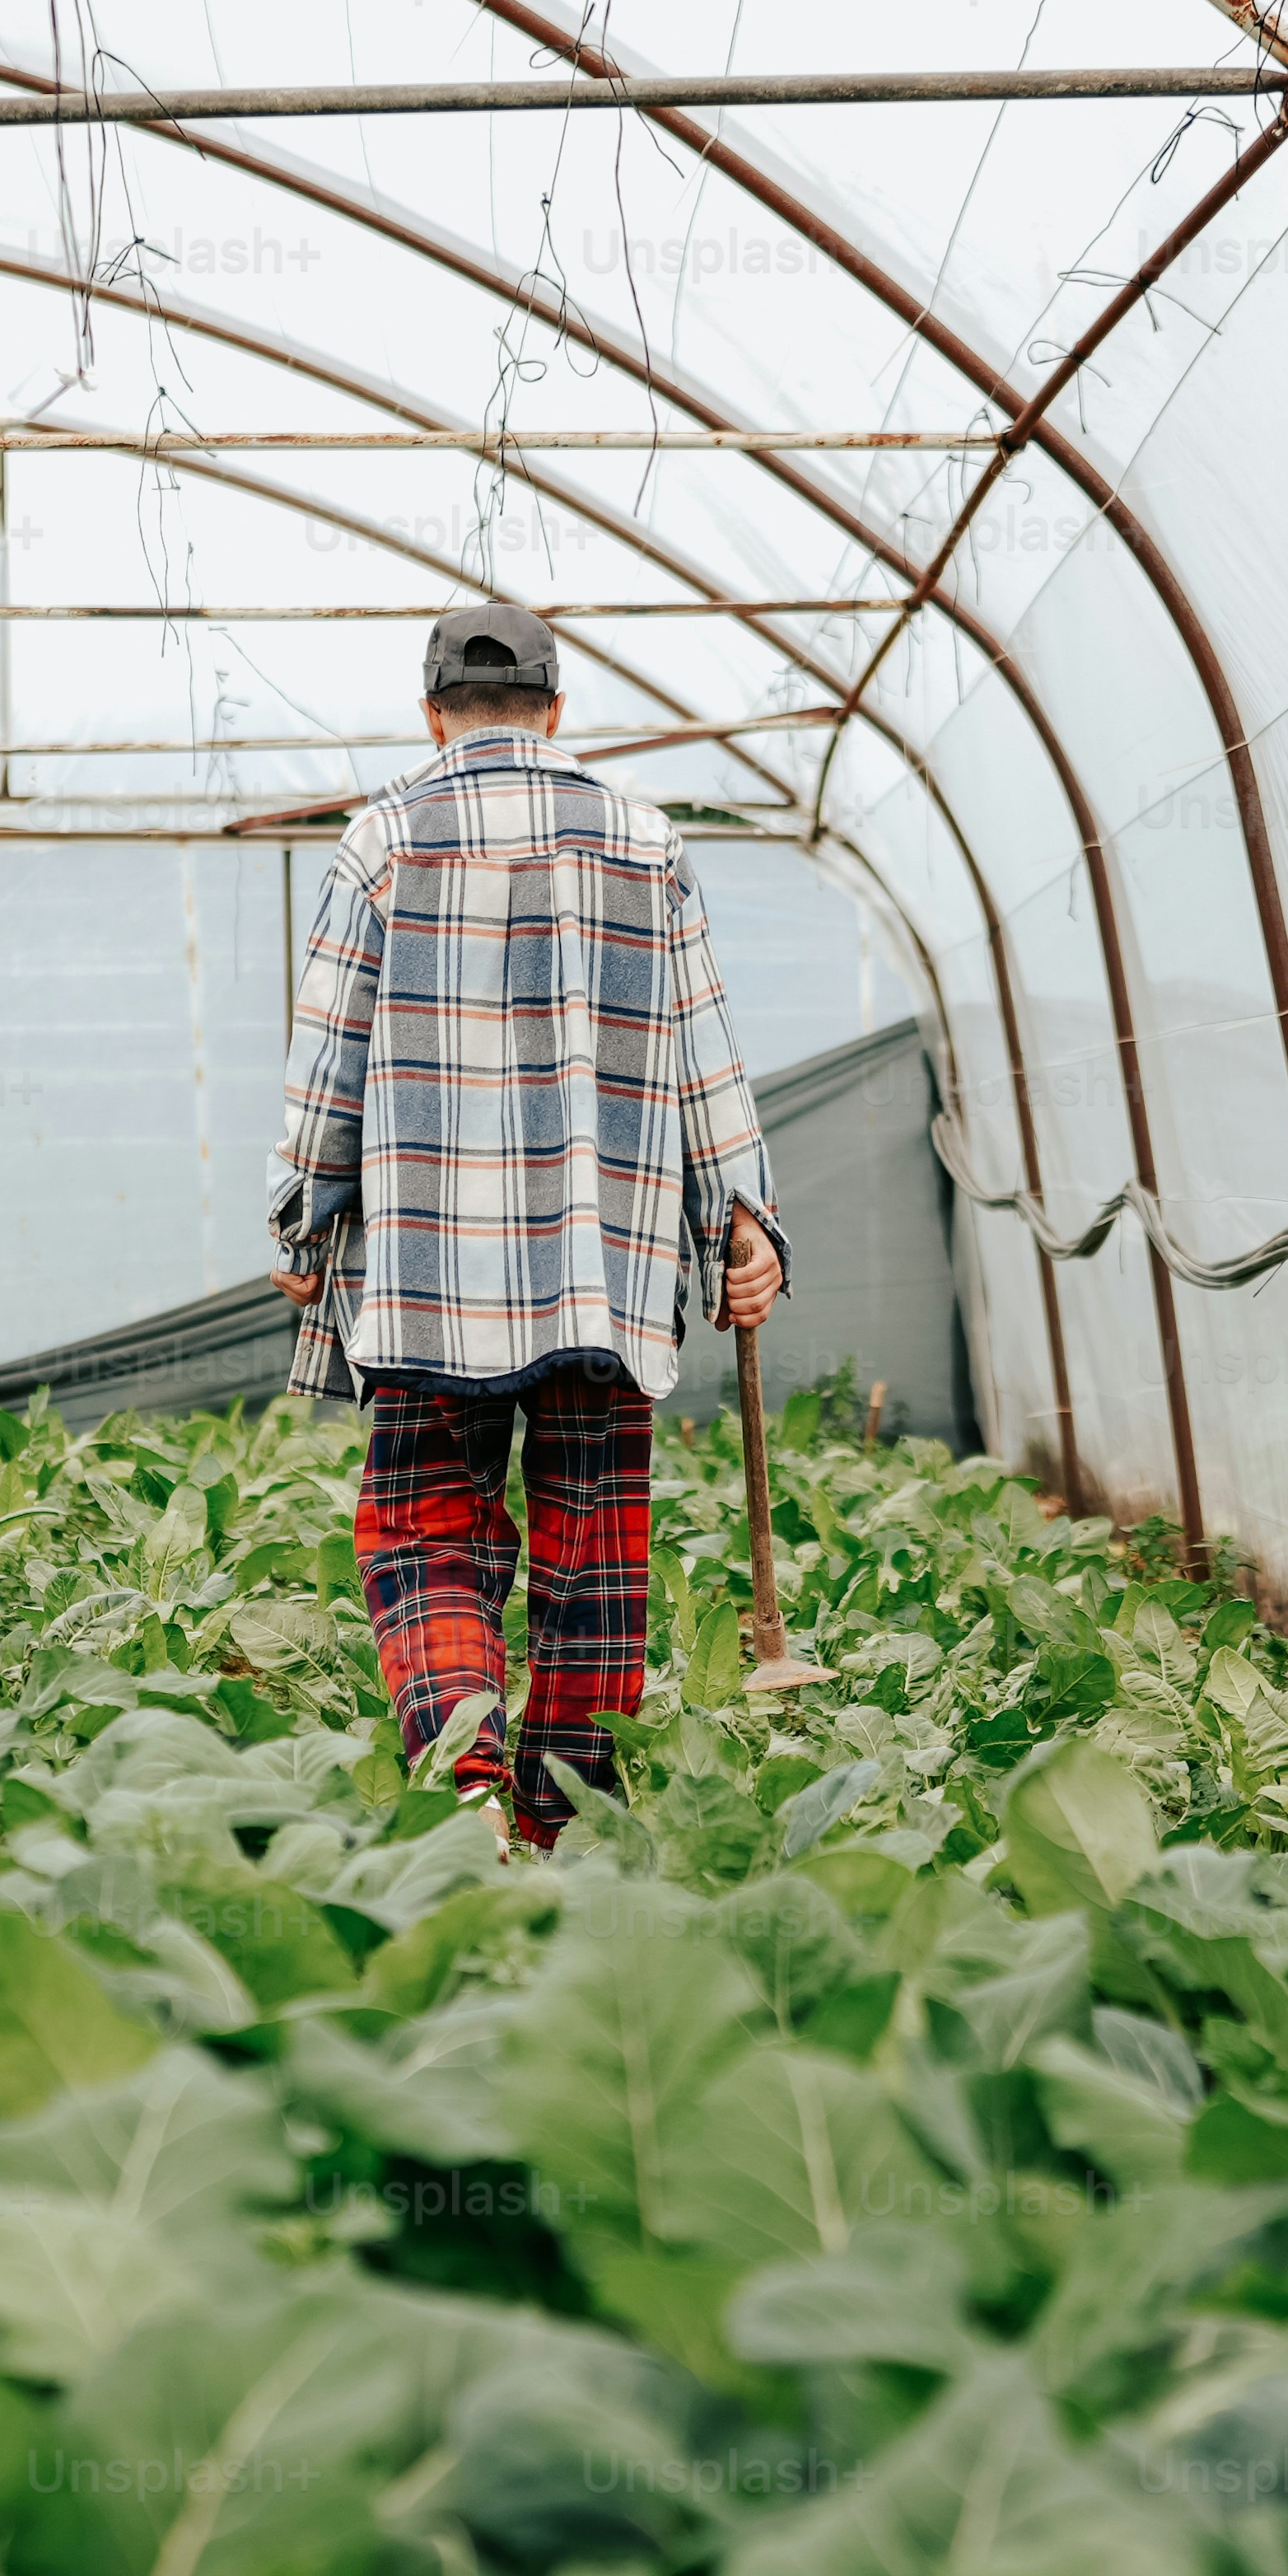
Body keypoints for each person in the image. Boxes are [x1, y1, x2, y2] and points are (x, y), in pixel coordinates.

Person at [268, 601, 782, 1844]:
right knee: (591, 1563)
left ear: (429, 712)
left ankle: (463, 1780)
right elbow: (701, 1051)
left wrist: (303, 1218)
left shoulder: (380, 841)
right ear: (557, 710)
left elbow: (330, 1057)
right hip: (604, 1274)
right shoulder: (646, 841)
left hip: (427, 1279)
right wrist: (743, 1219)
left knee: (426, 1534)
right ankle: (562, 1832)